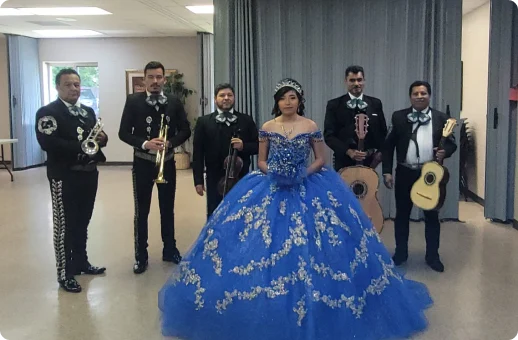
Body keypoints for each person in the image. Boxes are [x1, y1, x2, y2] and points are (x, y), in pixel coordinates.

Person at [158, 78, 433, 340]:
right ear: (276, 102)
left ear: (299, 101)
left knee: (323, 242)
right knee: (259, 241)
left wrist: (302, 174)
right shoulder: (267, 126)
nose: (288, 102)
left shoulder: (310, 124)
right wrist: (276, 173)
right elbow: (261, 161)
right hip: (272, 185)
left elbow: (321, 159)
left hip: (309, 184)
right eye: (283, 98)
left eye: (292, 98)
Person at [35, 68, 107, 293]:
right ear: (57, 87)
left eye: (77, 84)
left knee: (82, 222)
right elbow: (49, 143)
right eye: (68, 84)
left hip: (88, 174)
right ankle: (64, 273)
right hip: (63, 176)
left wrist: (101, 140)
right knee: (64, 226)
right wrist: (82, 146)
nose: (74, 89)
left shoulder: (87, 112)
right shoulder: (48, 113)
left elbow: (94, 141)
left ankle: (81, 262)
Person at [118, 61, 191, 274]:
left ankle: (170, 249)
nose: (155, 81)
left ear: (164, 80)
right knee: (142, 211)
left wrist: (170, 143)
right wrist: (145, 143)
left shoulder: (174, 102)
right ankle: (141, 255)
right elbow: (123, 133)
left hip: (166, 163)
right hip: (142, 162)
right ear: (144, 79)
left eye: (159, 77)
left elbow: (185, 130)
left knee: (167, 209)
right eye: (151, 77)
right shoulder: (133, 101)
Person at [382, 80, 457, 273]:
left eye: (423, 93)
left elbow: (452, 144)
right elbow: (388, 146)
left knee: (431, 216)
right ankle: (400, 254)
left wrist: (444, 152)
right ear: (410, 97)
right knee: (402, 216)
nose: (419, 96)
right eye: (415, 93)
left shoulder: (441, 118)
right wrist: (387, 171)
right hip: (405, 172)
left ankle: (433, 256)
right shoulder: (399, 117)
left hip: (429, 174)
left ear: (429, 95)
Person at [192, 83, 259, 218]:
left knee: (240, 212)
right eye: (222, 95)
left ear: (234, 98)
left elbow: (258, 146)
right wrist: (198, 181)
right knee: (215, 212)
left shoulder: (246, 120)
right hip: (214, 176)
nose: (226, 98)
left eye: (230, 95)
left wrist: (243, 146)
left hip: (241, 176)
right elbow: (198, 153)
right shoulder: (204, 122)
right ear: (215, 99)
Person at [324, 65, 387, 171]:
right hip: (343, 161)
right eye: (352, 80)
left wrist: (375, 153)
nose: (356, 84)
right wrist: (348, 151)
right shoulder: (334, 105)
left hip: (369, 162)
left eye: (359, 80)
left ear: (364, 81)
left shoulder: (375, 103)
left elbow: (383, 133)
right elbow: (329, 136)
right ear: (346, 81)